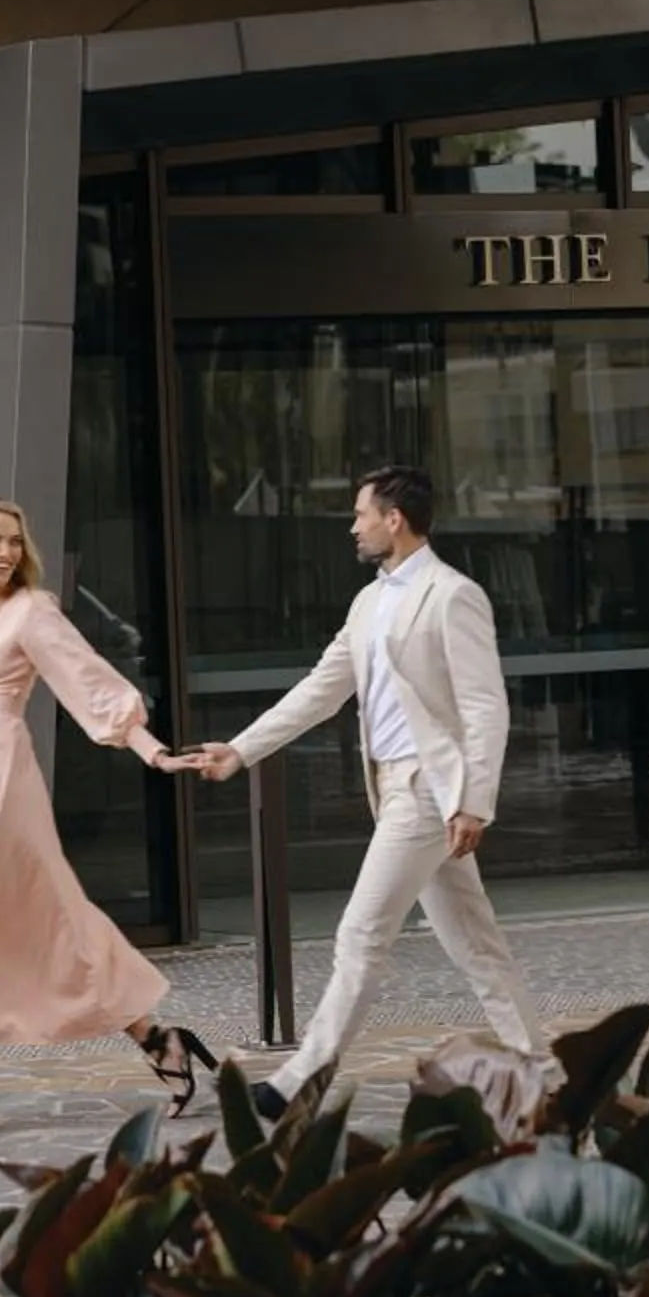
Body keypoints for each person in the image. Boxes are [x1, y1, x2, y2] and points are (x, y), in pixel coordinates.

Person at [184, 464, 545, 1116]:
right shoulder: (370, 602)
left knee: (360, 935)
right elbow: (322, 690)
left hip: (430, 793)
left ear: (394, 520)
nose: (353, 526)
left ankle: (301, 1079)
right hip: (396, 789)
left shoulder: (452, 595)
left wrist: (473, 801)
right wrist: (240, 750)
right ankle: (548, 1076)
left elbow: (486, 706)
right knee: (478, 945)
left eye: (360, 515)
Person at [0, 495, 214, 1134]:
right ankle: (158, 1041)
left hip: (4, 773)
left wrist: (152, 750)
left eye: (14, 541)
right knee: (50, 916)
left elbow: (85, 678)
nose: (6, 552)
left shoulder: (32, 612)